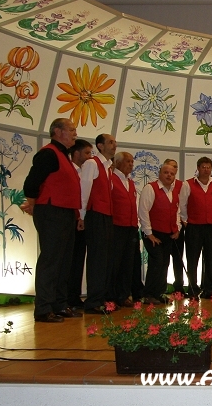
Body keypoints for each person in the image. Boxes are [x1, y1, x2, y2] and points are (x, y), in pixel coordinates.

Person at [22, 118, 81, 322]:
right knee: (51, 260)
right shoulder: (49, 153)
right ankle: (43, 308)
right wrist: (33, 204)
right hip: (52, 212)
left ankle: (60, 304)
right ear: (58, 131)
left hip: (65, 213)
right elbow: (31, 183)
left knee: (64, 261)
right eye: (72, 129)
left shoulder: (65, 157)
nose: (75, 133)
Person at [79, 133, 117, 314]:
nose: (114, 145)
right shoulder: (92, 164)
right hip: (95, 215)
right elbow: (84, 191)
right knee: (97, 258)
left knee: (106, 258)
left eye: (114, 142)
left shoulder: (108, 168)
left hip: (107, 216)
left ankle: (101, 299)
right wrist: (81, 216)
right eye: (110, 142)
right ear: (100, 146)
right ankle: (93, 301)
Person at [138, 163, 183, 304]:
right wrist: (149, 233)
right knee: (156, 263)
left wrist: (177, 229)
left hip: (168, 234)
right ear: (159, 174)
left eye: (172, 174)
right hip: (153, 233)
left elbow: (177, 212)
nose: (169, 175)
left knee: (165, 264)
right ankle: (149, 294)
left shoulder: (174, 191)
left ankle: (159, 293)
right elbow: (143, 211)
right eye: (166, 172)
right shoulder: (150, 188)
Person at [180, 157, 212, 299]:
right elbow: (182, 205)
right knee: (192, 259)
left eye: (208, 167)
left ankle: (209, 288)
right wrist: (187, 221)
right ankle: (192, 288)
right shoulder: (188, 184)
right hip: (194, 227)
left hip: (211, 227)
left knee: (210, 259)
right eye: (203, 167)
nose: (206, 169)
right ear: (198, 168)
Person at [109, 152, 139, 307]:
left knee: (128, 264)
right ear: (118, 162)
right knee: (115, 262)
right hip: (117, 226)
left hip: (131, 227)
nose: (131, 164)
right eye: (128, 161)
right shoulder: (112, 179)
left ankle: (123, 295)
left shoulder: (131, 182)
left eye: (132, 161)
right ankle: (111, 296)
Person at [67, 138, 92, 310]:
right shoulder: (71, 171)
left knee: (77, 260)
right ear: (76, 153)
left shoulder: (84, 172)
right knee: (69, 260)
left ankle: (73, 297)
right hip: (72, 220)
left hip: (81, 220)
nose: (89, 157)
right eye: (87, 153)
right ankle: (66, 298)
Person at [162, 158, 186, 293]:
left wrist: (180, 225)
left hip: (177, 228)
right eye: (169, 168)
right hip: (162, 229)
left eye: (175, 167)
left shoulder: (182, 185)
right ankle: (162, 286)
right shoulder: (157, 186)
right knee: (163, 260)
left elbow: (182, 206)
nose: (172, 170)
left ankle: (179, 287)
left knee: (178, 259)